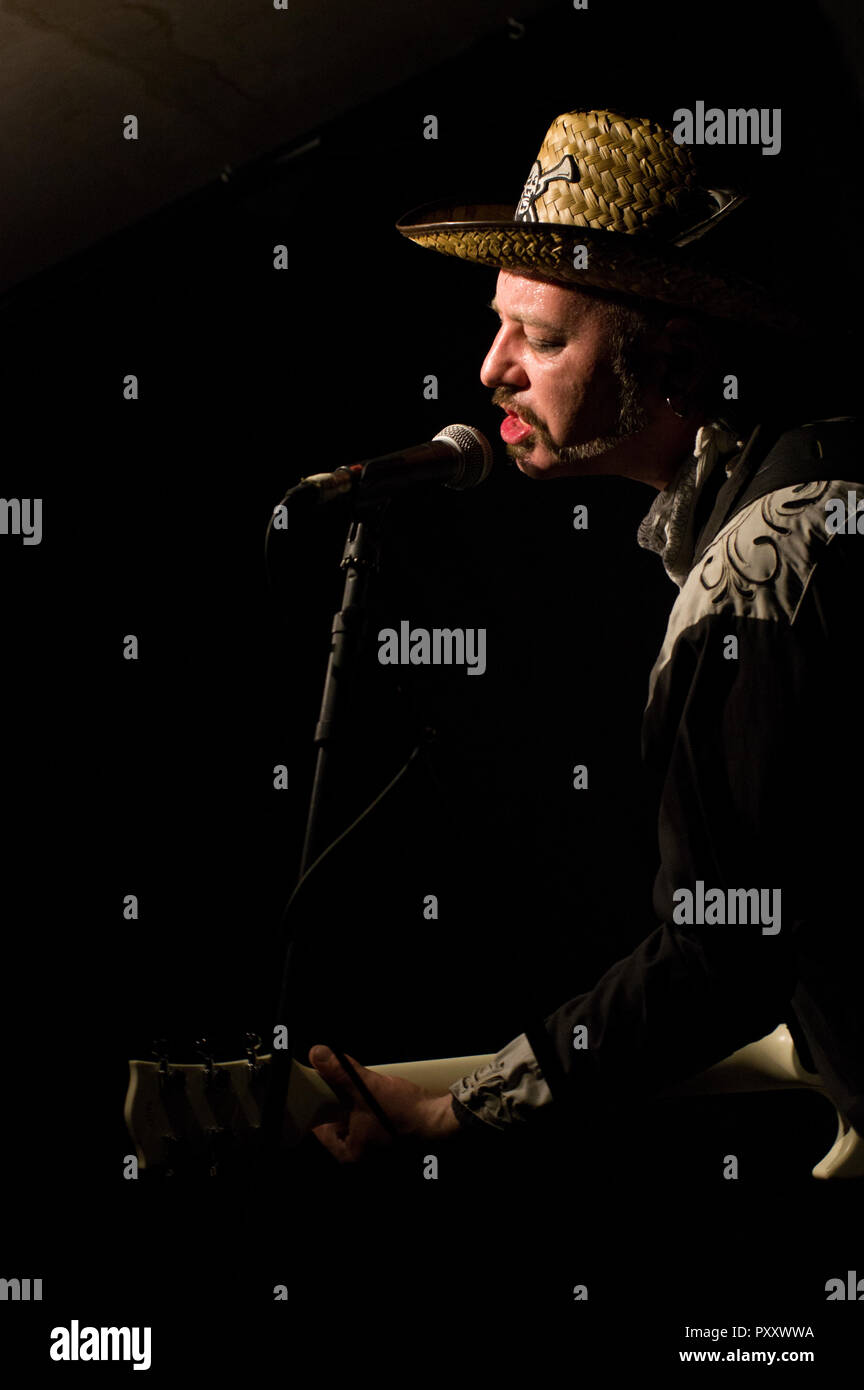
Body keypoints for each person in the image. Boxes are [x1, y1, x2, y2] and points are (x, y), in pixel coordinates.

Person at [305, 107, 864, 1165]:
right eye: (500, 322)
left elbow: (723, 954)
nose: (491, 369)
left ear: (677, 361)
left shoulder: (762, 570)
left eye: (544, 337)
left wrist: (458, 1114)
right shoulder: (817, 480)